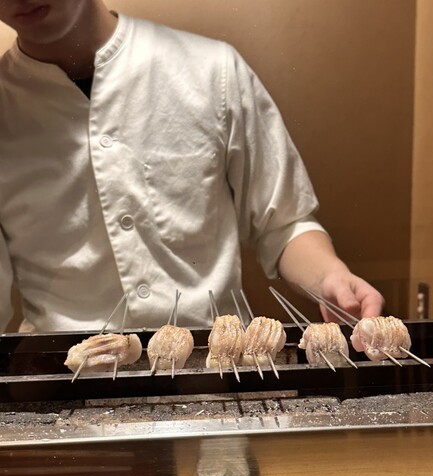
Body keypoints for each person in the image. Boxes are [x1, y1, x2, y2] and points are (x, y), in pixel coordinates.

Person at [0, 0, 384, 333]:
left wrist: (330, 276)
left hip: (216, 368)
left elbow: (283, 223)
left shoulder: (212, 70)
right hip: (63, 378)